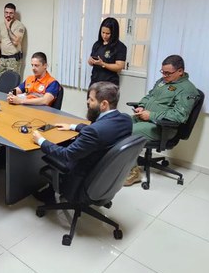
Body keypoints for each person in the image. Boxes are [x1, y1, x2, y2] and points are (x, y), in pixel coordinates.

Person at [30, 82, 134, 202]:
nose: (88, 102)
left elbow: (66, 155)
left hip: (83, 177)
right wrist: (73, 126)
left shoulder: (94, 131)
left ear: (104, 104)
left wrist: (41, 141)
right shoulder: (126, 120)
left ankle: (50, 193)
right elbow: (104, 131)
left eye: (91, 99)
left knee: (57, 148)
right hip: (105, 174)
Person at [124, 55, 199, 186]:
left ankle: (134, 172)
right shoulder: (163, 81)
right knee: (119, 124)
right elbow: (150, 96)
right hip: (145, 119)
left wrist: (151, 115)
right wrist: (141, 105)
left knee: (127, 132)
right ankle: (120, 165)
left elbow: (179, 116)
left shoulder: (187, 90)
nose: (164, 75)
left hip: (164, 128)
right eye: (162, 72)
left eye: (168, 73)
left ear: (180, 71)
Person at [88, 17, 127, 86]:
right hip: (94, 81)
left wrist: (103, 64)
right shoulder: (97, 44)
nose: (104, 36)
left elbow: (119, 67)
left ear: (114, 33)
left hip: (109, 84)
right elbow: (91, 61)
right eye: (103, 32)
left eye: (107, 33)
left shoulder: (120, 47)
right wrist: (90, 61)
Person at [0, 3, 26, 79]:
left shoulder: (19, 26)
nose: (8, 15)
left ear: (14, 14)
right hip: (2, 59)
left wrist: (8, 28)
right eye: (6, 12)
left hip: (13, 60)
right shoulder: (1, 25)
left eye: (11, 13)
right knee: (0, 83)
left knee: (12, 84)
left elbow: (15, 42)